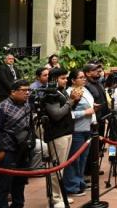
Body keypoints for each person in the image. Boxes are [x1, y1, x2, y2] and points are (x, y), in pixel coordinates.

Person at [0, 79, 32, 208]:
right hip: (6, 150)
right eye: (24, 90)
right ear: (13, 92)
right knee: (4, 184)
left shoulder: (27, 105)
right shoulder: (1, 108)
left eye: (28, 90)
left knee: (19, 182)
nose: (27, 93)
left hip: (22, 149)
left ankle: (18, 205)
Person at [42, 68, 77, 208]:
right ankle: (55, 198)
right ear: (54, 79)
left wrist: (72, 101)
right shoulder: (51, 94)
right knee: (56, 168)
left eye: (66, 77)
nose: (66, 80)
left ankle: (60, 195)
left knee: (61, 168)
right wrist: (71, 101)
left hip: (66, 132)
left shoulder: (61, 91)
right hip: (57, 134)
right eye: (63, 78)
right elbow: (56, 114)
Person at [63, 69, 95, 197]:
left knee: (83, 159)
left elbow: (88, 105)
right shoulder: (69, 93)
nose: (84, 79)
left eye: (84, 77)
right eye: (81, 77)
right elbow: (67, 113)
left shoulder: (85, 90)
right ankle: (71, 186)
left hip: (87, 128)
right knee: (74, 159)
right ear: (73, 80)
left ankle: (80, 182)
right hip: (76, 130)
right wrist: (85, 112)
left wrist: (94, 108)